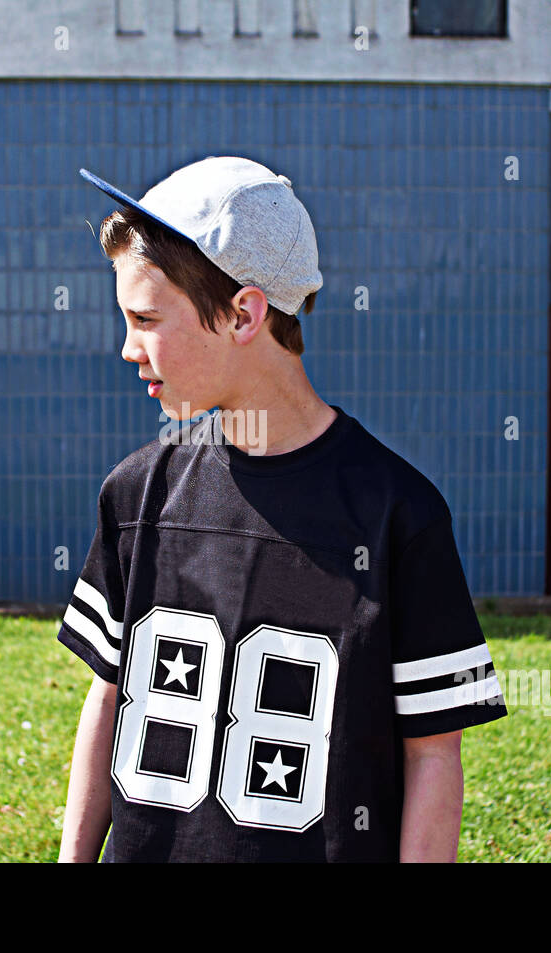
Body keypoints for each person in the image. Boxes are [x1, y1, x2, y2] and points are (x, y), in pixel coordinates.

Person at [57, 156, 507, 862]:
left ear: (244, 313)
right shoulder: (135, 494)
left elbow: (433, 755)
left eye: (146, 318)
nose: (126, 347)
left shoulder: (400, 516)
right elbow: (107, 701)